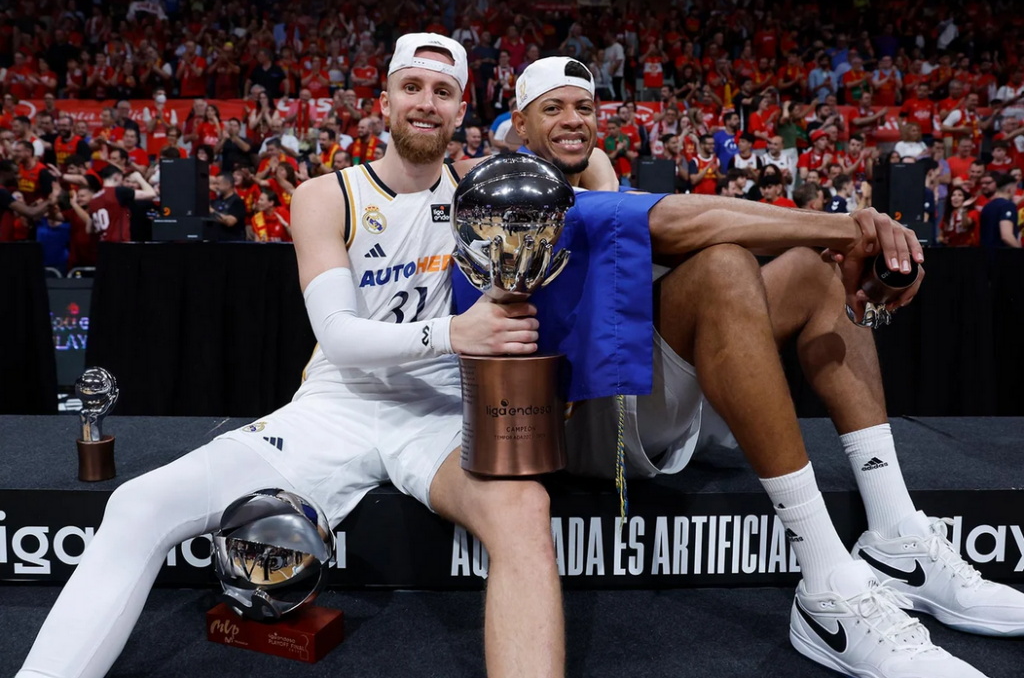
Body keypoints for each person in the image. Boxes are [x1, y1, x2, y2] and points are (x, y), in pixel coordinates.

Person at [14, 34, 565, 678]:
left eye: (442, 92)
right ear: (383, 99)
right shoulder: (326, 195)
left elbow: (585, 191)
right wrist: (455, 333)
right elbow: (339, 337)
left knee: (525, 510)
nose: (425, 103)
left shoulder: (483, 189)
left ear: (462, 107)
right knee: (137, 506)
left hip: (440, 412)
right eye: (411, 87)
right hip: (337, 407)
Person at [498, 55, 1022, 678]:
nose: (572, 119)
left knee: (809, 270)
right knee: (724, 265)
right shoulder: (514, 191)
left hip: (638, 388)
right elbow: (678, 220)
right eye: (551, 108)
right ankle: (827, 586)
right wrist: (851, 229)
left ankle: (896, 534)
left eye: (583, 107)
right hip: (581, 423)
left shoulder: (591, 190)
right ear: (519, 125)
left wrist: (833, 243)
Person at [70, 165, 156, 243]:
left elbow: (89, 229)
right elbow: (152, 194)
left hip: (103, 246)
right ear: (116, 177)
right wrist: (139, 177)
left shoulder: (94, 199)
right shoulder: (117, 191)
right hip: (120, 245)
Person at [979, 173, 1022, 248]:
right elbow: (1006, 236)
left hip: (985, 255)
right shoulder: (1007, 206)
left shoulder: (987, 206)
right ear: (1010, 189)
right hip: (1002, 256)